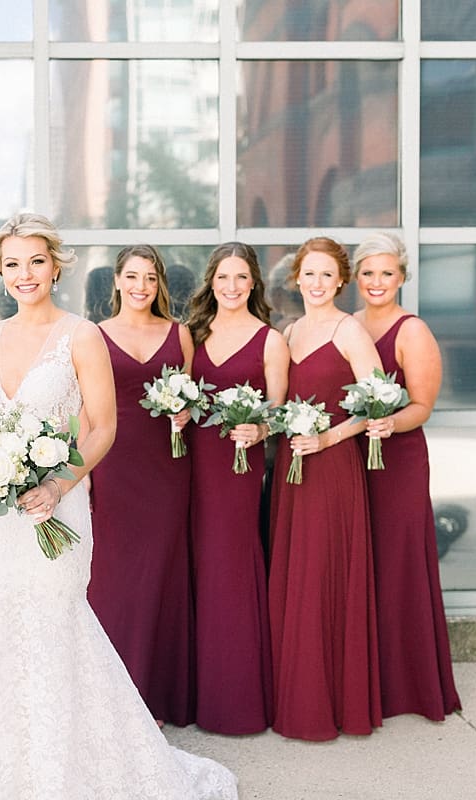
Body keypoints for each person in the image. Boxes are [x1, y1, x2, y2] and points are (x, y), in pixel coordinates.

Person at [0, 213, 238, 799]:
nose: (25, 274)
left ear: (56, 266)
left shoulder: (81, 336)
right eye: (12, 264)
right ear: (0, 271)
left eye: (36, 261)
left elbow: (103, 427)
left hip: (56, 507)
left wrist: (59, 485)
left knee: (56, 627)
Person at [268, 236, 384, 741]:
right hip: (292, 471)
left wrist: (328, 438)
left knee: (322, 576)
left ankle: (330, 702)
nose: (316, 283)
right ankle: (295, 695)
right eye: (309, 273)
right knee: (297, 575)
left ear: (341, 282)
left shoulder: (349, 330)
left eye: (326, 275)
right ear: (297, 279)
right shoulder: (290, 332)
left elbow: (377, 402)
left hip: (332, 467)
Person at [352, 232, 461, 721]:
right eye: (368, 272)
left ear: (402, 276)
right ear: (355, 277)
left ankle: (406, 686)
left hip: (396, 463)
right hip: (350, 459)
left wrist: (388, 424)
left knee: (397, 566)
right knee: (361, 564)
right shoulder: (348, 325)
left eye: (387, 272)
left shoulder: (411, 330)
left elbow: (422, 405)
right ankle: (362, 679)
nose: (377, 281)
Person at [88, 243, 194, 726]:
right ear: (117, 281)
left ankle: (154, 695)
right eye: (132, 277)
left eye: (151, 278)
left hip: (166, 469)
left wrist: (184, 413)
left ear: (160, 285)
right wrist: (84, 473)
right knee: (113, 578)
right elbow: (85, 408)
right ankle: (110, 698)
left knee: (160, 576)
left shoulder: (179, 333)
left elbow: (190, 396)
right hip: (113, 465)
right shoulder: (94, 335)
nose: (141, 287)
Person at [185, 242, 288, 735]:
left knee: (231, 565)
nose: (231, 286)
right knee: (196, 564)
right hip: (192, 465)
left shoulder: (271, 340)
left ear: (254, 284)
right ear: (211, 282)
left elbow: (278, 411)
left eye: (241, 277)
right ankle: (193, 692)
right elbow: (181, 396)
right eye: (223, 277)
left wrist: (260, 427)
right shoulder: (194, 334)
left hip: (238, 467)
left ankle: (238, 698)